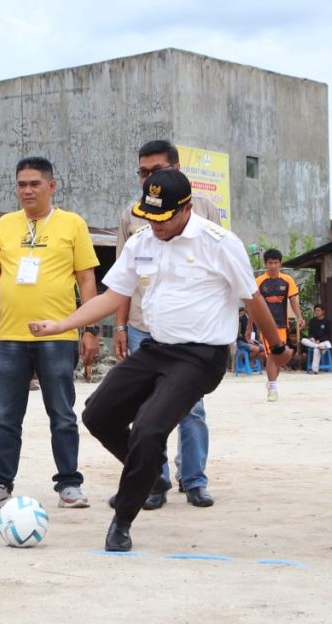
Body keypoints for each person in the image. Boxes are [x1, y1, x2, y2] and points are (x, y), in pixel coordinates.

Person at [28, 169, 290, 551]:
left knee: (149, 429)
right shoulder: (141, 242)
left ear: (185, 209)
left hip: (201, 357)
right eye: (149, 216)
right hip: (156, 347)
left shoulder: (219, 243)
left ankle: (122, 521)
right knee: (97, 414)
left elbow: (253, 299)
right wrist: (62, 324)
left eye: (163, 217)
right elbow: (112, 295)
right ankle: (151, 474)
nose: (155, 225)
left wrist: (277, 348)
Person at [0, 156, 100, 511]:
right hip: (11, 337)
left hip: (58, 337)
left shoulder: (72, 224)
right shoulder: (6, 225)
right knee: (6, 415)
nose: (27, 190)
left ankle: (69, 484)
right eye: (21, 184)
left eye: (34, 184)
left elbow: (87, 278)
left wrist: (89, 329)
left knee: (61, 412)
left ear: (51, 186)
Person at [114, 140, 221, 508]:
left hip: (192, 332)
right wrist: (120, 326)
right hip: (145, 324)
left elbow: (221, 272)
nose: (148, 177)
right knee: (147, 410)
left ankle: (193, 479)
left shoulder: (204, 209)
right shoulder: (131, 214)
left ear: (176, 168)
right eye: (143, 172)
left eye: (156, 170)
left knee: (191, 407)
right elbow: (120, 282)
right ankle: (153, 480)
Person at [254, 249, 301, 401]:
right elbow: (253, 303)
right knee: (272, 356)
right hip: (265, 325)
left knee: (279, 356)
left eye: (276, 263)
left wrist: (299, 317)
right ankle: (273, 389)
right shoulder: (259, 281)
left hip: (282, 324)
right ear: (266, 264)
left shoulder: (287, 280)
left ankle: (271, 382)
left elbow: (293, 300)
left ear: (280, 263)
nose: (273, 266)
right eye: (270, 263)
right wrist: (251, 325)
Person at [301, 304, 332, 373]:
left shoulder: (327, 322)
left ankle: (314, 370)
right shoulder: (312, 321)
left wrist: (320, 340)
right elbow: (310, 333)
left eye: (318, 310)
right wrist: (312, 338)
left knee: (316, 350)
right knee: (303, 340)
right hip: (314, 342)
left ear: (323, 311)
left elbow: (328, 334)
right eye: (315, 310)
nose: (316, 312)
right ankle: (318, 346)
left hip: (324, 342)